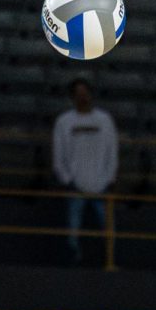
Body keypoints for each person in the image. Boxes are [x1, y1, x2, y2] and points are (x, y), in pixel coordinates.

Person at [52, 77, 118, 262]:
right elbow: (59, 154)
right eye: (78, 94)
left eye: (85, 93)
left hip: (102, 183)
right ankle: (73, 255)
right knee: (73, 225)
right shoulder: (64, 122)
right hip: (75, 184)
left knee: (108, 225)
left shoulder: (104, 120)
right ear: (72, 97)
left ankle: (110, 257)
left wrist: (110, 178)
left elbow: (112, 151)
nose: (83, 97)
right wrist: (67, 180)